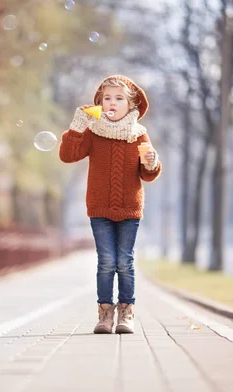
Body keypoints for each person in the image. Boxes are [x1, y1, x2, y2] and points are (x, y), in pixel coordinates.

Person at [59, 75, 161, 334]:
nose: (112, 103)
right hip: (99, 207)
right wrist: (77, 126)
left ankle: (126, 313)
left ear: (131, 104)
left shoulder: (139, 135)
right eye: (107, 98)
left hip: (129, 208)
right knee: (106, 260)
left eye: (119, 98)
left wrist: (151, 162)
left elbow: (148, 173)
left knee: (124, 261)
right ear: (99, 102)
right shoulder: (93, 132)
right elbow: (68, 155)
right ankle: (105, 315)